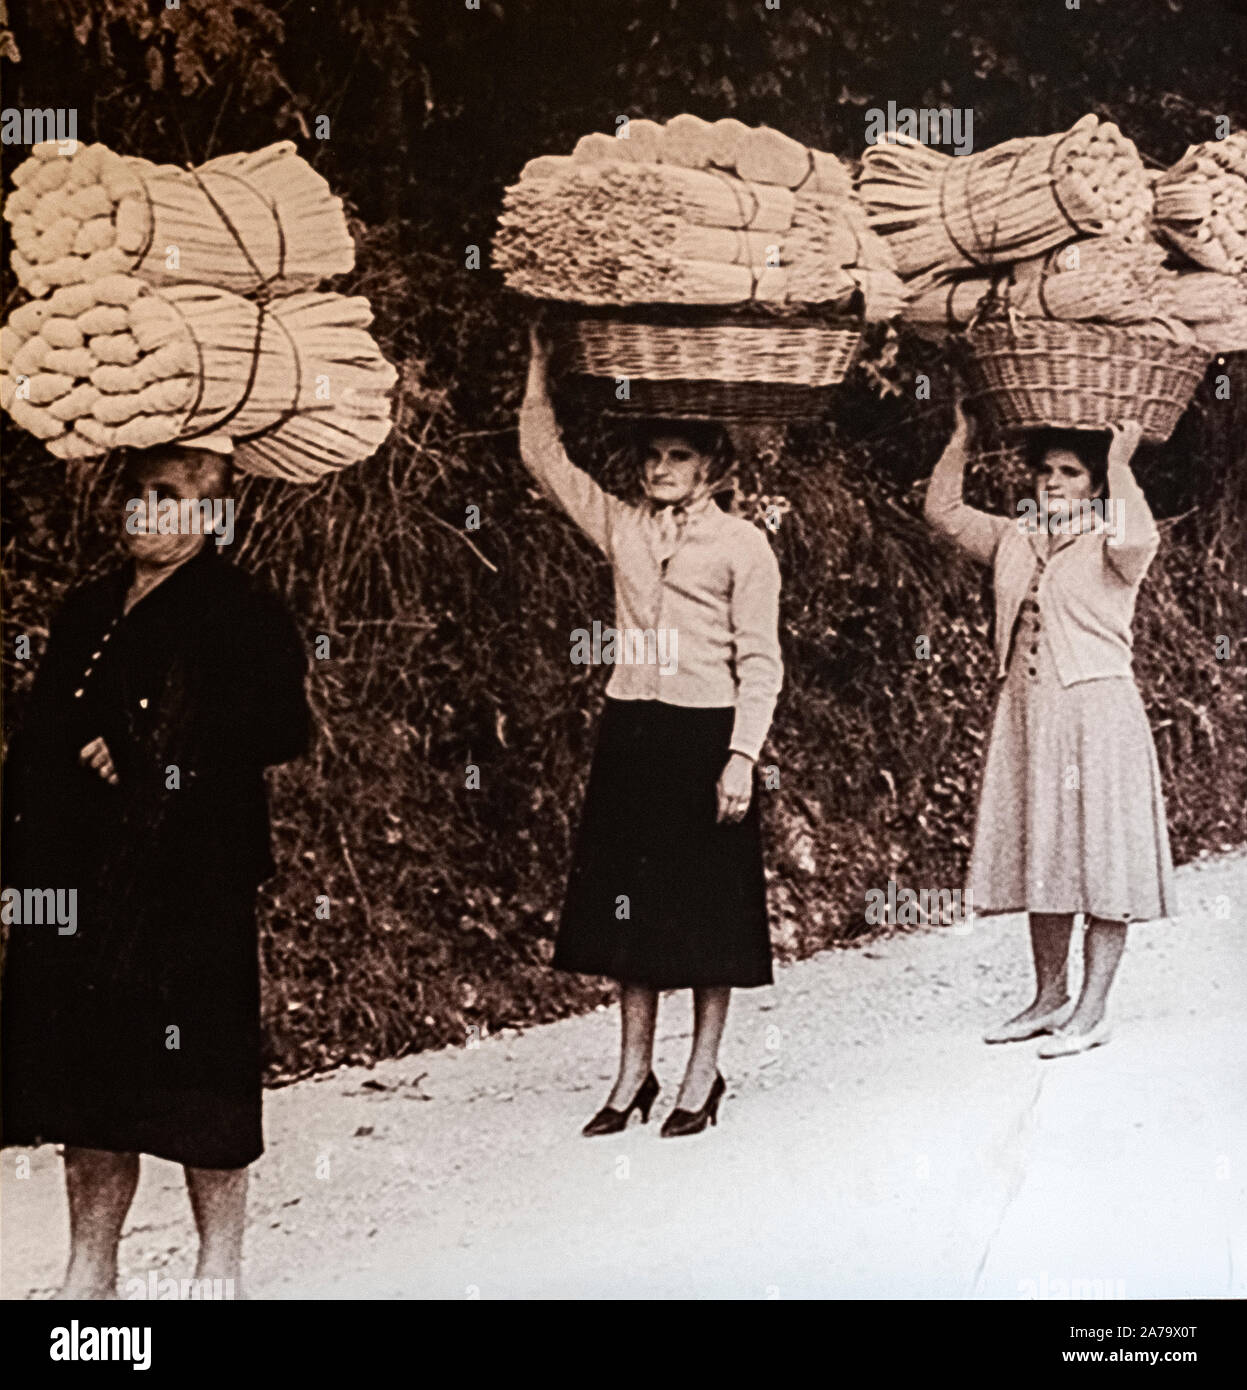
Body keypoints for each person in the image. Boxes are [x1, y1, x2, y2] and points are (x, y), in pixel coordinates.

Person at [1, 443, 310, 1297]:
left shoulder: (241, 610)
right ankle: (91, 1268)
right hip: (81, 877)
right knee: (89, 1077)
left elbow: (281, 728)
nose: (143, 509)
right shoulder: (88, 606)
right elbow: (36, 738)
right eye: (134, 492)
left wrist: (150, 755)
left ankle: (219, 1265)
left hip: (190, 881)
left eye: (168, 495)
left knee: (200, 1072)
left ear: (211, 514)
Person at [519, 325, 783, 1136]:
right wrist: (537, 368)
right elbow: (544, 460)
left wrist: (741, 757)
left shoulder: (744, 545)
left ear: (712, 467)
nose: (659, 470)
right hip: (632, 729)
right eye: (652, 457)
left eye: (677, 457)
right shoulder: (622, 526)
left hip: (706, 737)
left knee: (706, 913)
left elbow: (762, 660)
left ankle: (701, 1076)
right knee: (627, 914)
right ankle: (632, 1073)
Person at [924, 396, 1176, 1058]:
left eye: (1068, 472)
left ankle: (1092, 1009)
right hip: (1026, 709)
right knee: (1045, 848)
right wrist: (958, 439)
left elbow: (1137, 538)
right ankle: (1047, 997)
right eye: (1044, 472)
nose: (1051, 483)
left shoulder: (1112, 539)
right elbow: (943, 514)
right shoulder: (1016, 535)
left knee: (1099, 855)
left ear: (1092, 483)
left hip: (1095, 710)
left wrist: (1120, 464)